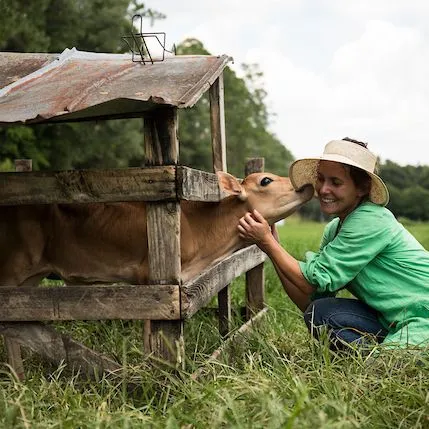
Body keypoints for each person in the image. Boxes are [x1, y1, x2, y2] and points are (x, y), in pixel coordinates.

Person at [238, 137, 429, 350]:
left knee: (387, 367)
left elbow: (309, 282)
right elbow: (310, 300)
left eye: (336, 182)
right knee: (320, 313)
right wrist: (273, 246)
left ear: (362, 188)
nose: (324, 189)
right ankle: (377, 351)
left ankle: (381, 355)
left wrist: (267, 242)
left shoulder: (371, 219)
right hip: (390, 319)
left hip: (422, 315)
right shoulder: (335, 228)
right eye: (321, 179)